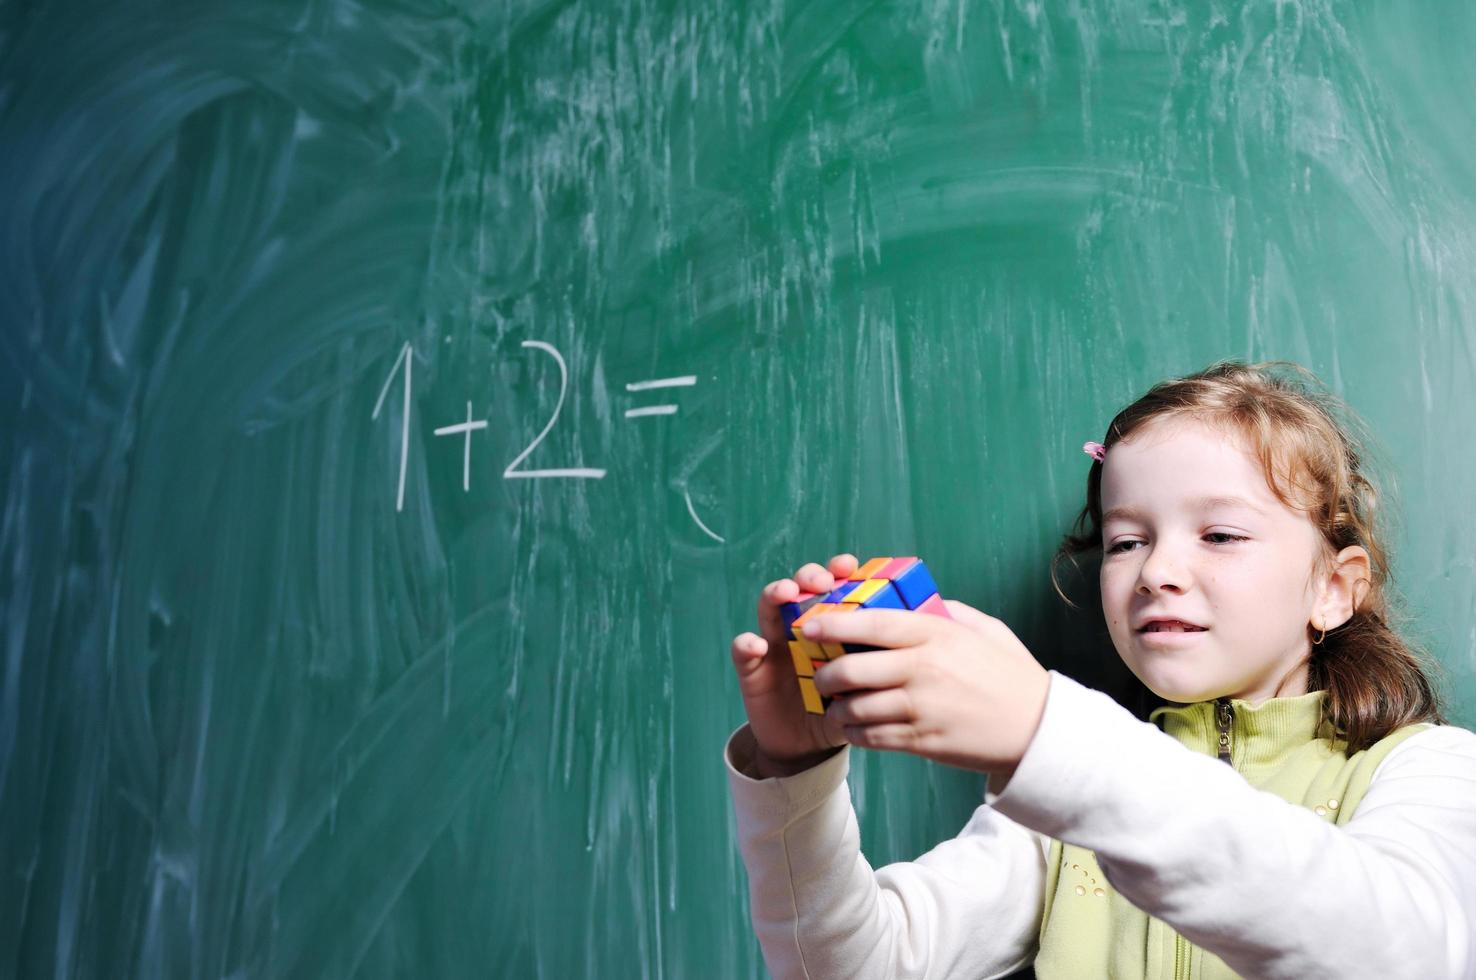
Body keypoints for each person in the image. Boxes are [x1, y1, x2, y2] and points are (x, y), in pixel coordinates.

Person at [724, 361, 1476, 979]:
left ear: (1333, 589)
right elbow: (860, 969)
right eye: (1125, 542)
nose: (1158, 571)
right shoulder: (1050, 818)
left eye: (1218, 533)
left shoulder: (1429, 769)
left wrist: (1046, 733)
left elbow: (1404, 955)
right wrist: (797, 775)